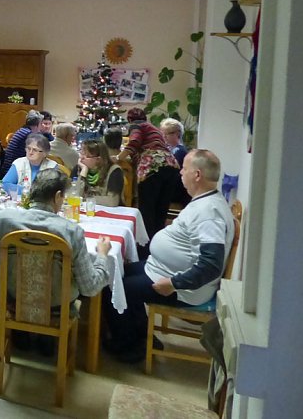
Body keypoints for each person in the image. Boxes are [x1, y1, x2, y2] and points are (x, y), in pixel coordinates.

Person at [103, 149, 235, 363]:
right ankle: (140, 335)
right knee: (115, 273)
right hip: (162, 269)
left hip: (181, 285)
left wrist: (173, 283)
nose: (180, 172)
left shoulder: (209, 213)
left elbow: (211, 264)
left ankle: (128, 345)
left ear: (197, 175)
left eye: (184, 168)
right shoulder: (205, 201)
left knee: (114, 287)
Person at [0, 169, 112, 311]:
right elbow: (90, 288)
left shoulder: (4, 219)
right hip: (56, 303)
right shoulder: (71, 231)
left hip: (14, 294)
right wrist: (102, 256)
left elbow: (0, 256)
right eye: (63, 197)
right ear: (57, 196)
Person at [117, 108, 180, 239]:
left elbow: (134, 142)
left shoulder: (137, 125)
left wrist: (119, 158)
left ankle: (144, 248)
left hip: (152, 167)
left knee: (147, 211)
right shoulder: (153, 128)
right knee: (161, 211)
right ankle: (157, 243)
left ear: (129, 120)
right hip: (171, 165)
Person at [0, 109, 53, 177]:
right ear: (37, 124)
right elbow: (44, 148)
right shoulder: (29, 135)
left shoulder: (23, 130)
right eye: (41, 123)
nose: (42, 126)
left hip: (7, 167)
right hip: (12, 170)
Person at [76, 139, 124, 206]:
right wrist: (83, 172)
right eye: (81, 153)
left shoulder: (114, 171)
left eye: (86, 156)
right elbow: (74, 195)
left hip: (110, 213)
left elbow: (112, 201)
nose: (81, 158)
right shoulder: (81, 168)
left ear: (98, 159)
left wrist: (85, 198)